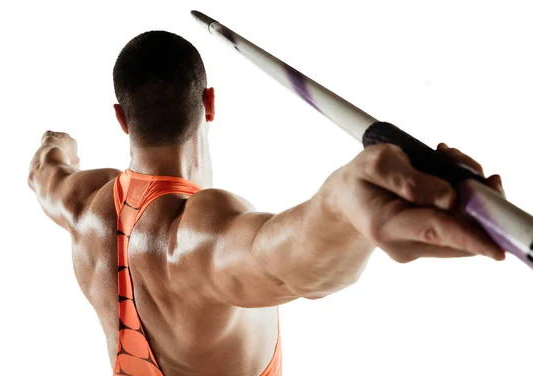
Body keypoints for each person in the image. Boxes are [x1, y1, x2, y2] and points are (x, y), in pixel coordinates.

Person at [28, 31, 505, 376]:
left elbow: (44, 170)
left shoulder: (78, 202)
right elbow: (276, 258)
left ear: (121, 118)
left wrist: (58, 143)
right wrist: (344, 204)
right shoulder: (194, 236)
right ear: (209, 103)